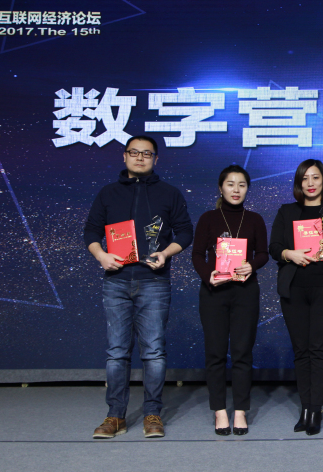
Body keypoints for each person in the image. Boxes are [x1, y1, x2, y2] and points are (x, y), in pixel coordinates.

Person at [84, 135, 193, 439]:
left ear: (156, 159)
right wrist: (101, 255)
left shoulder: (169, 193)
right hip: (116, 280)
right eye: (134, 152)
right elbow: (91, 230)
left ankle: (152, 413)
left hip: (154, 280)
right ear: (124, 156)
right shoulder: (108, 193)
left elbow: (185, 231)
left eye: (147, 153)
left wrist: (166, 253)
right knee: (117, 352)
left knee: (154, 351)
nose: (140, 157)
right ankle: (115, 416)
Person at [269, 160, 323, 436]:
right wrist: (289, 254)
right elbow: (274, 247)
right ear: (298, 182)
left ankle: (315, 408)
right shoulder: (287, 211)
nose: (310, 183)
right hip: (294, 289)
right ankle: (305, 407)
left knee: (319, 349)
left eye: (315, 177)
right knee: (301, 350)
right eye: (305, 178)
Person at [191, 165, 269, 436]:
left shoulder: (255, 219)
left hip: (245, 292)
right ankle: (219, 410)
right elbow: (197, 254)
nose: (236, 190)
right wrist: (208, 275)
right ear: (220, 187)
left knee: (242, 352)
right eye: (230, 184)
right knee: (215, 353)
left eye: (242, 185)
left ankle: (240, 410)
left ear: (247, 189)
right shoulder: (208, 218)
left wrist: (252, 265)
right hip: (214, 291)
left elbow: (263, 253)